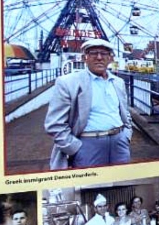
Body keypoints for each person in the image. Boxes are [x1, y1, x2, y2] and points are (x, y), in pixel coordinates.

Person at [44, 39, 133, 169]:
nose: (99, 57)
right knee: (90, 187)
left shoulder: (118, 82)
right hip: (87, 145)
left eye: (104, 54)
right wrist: (74, 148)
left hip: (119, 143)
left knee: (122, 185)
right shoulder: (68, 83)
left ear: (110, 58)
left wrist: (126, 135)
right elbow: (54, 124)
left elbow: (125, 112)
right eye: (93, 53)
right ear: (84, 58)